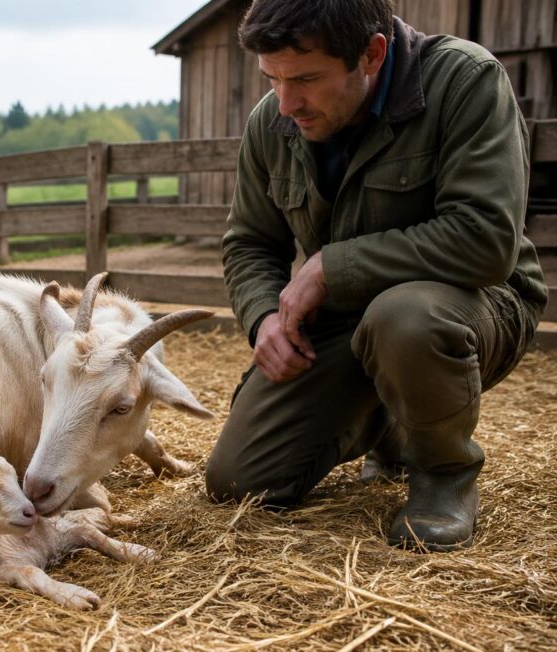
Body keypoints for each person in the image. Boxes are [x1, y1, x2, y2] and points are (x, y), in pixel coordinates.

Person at [206, 0, 547, 551]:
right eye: (272, 79)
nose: (287, 103)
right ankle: (391, 418)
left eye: (306, 79)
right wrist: (263, 316)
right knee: (239, 482)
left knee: (405, 319)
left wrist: (331, 266)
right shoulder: (273, 121)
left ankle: (443, 473)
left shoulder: (466, 80)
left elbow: (485, 239)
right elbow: (250, 242)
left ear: (371, 54)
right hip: (349, 318)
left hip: (475, 305)